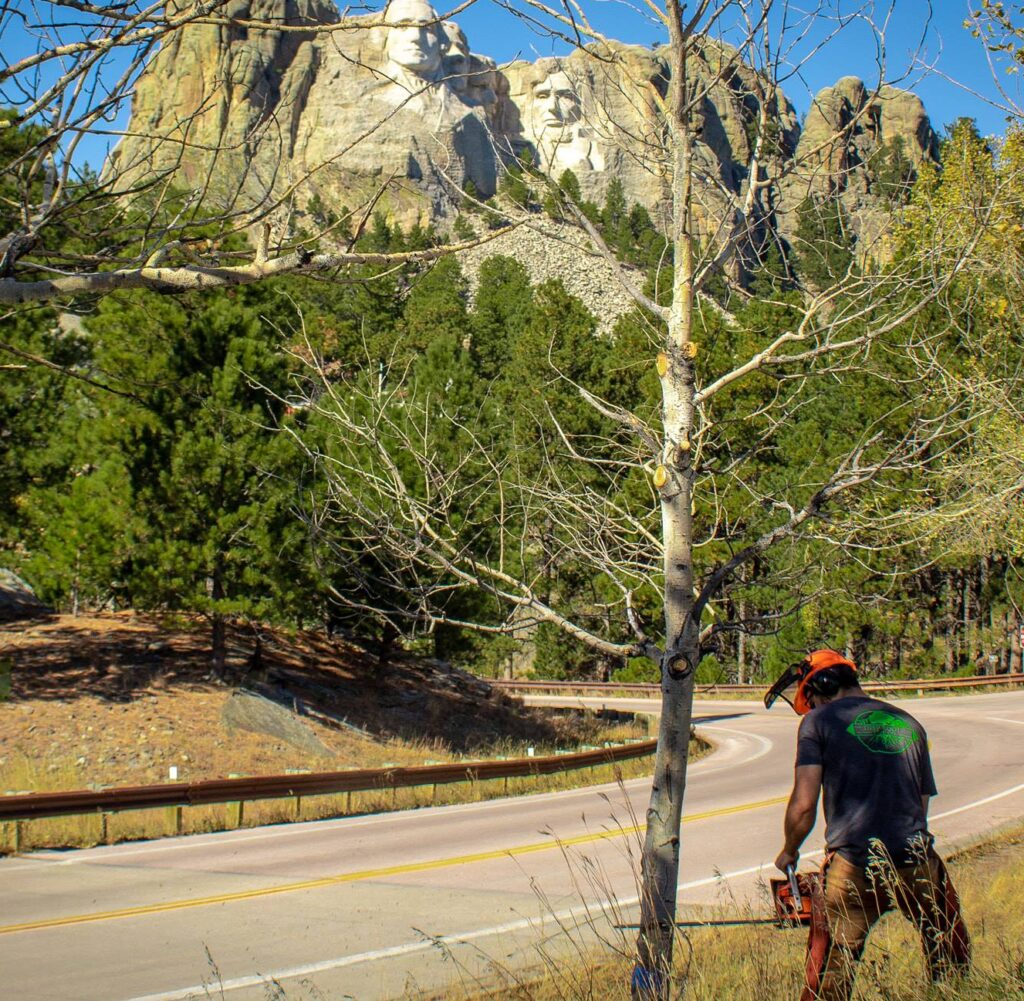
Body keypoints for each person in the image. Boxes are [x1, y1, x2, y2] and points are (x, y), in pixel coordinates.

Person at [766, 649, 971, 1001]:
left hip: (854, 864)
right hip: (916, 857)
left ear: (821, 684)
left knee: (831, 969)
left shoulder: (817, 723)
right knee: (947, 944)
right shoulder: (909, 723)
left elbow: (803, 806)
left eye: (810, 697)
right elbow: (921, 805)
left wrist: (789, 850)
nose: (812, 706)